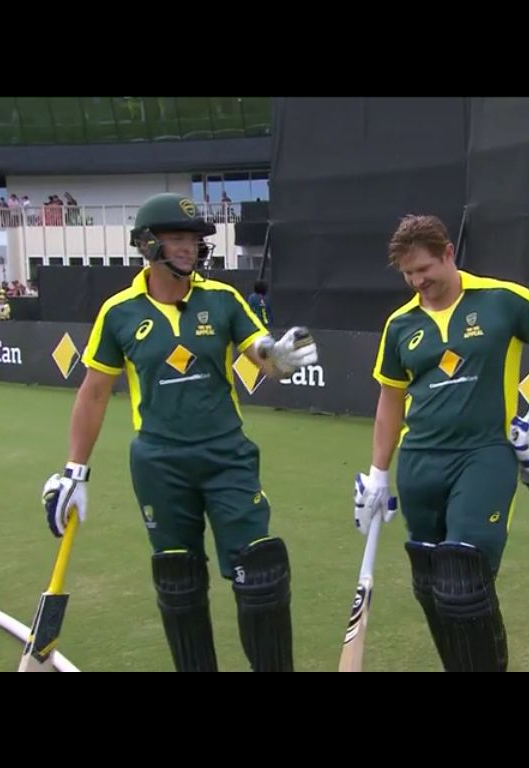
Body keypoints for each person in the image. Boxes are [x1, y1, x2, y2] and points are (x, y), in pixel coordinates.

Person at [40, 193, 318, 672]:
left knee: (261, 570)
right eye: (177, 238)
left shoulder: (222, 299)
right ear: (147, 244)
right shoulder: (119, 312)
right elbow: (94, 393)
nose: (189, 248)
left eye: (193, 239)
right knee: (178, 579)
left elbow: (263, 353)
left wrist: (280, 359)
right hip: (159, 462)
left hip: (226, 454)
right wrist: (74, 471)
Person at [354, 213, 529, 671]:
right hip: (419, 464)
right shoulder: (401, 324)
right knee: (431, 586)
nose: (418, 281)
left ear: (448, 253)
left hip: (484, 455)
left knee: (464, 580)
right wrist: (378, 474)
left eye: (424, 269)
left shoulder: (500, 299)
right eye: (408, 274)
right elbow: (390, 402)